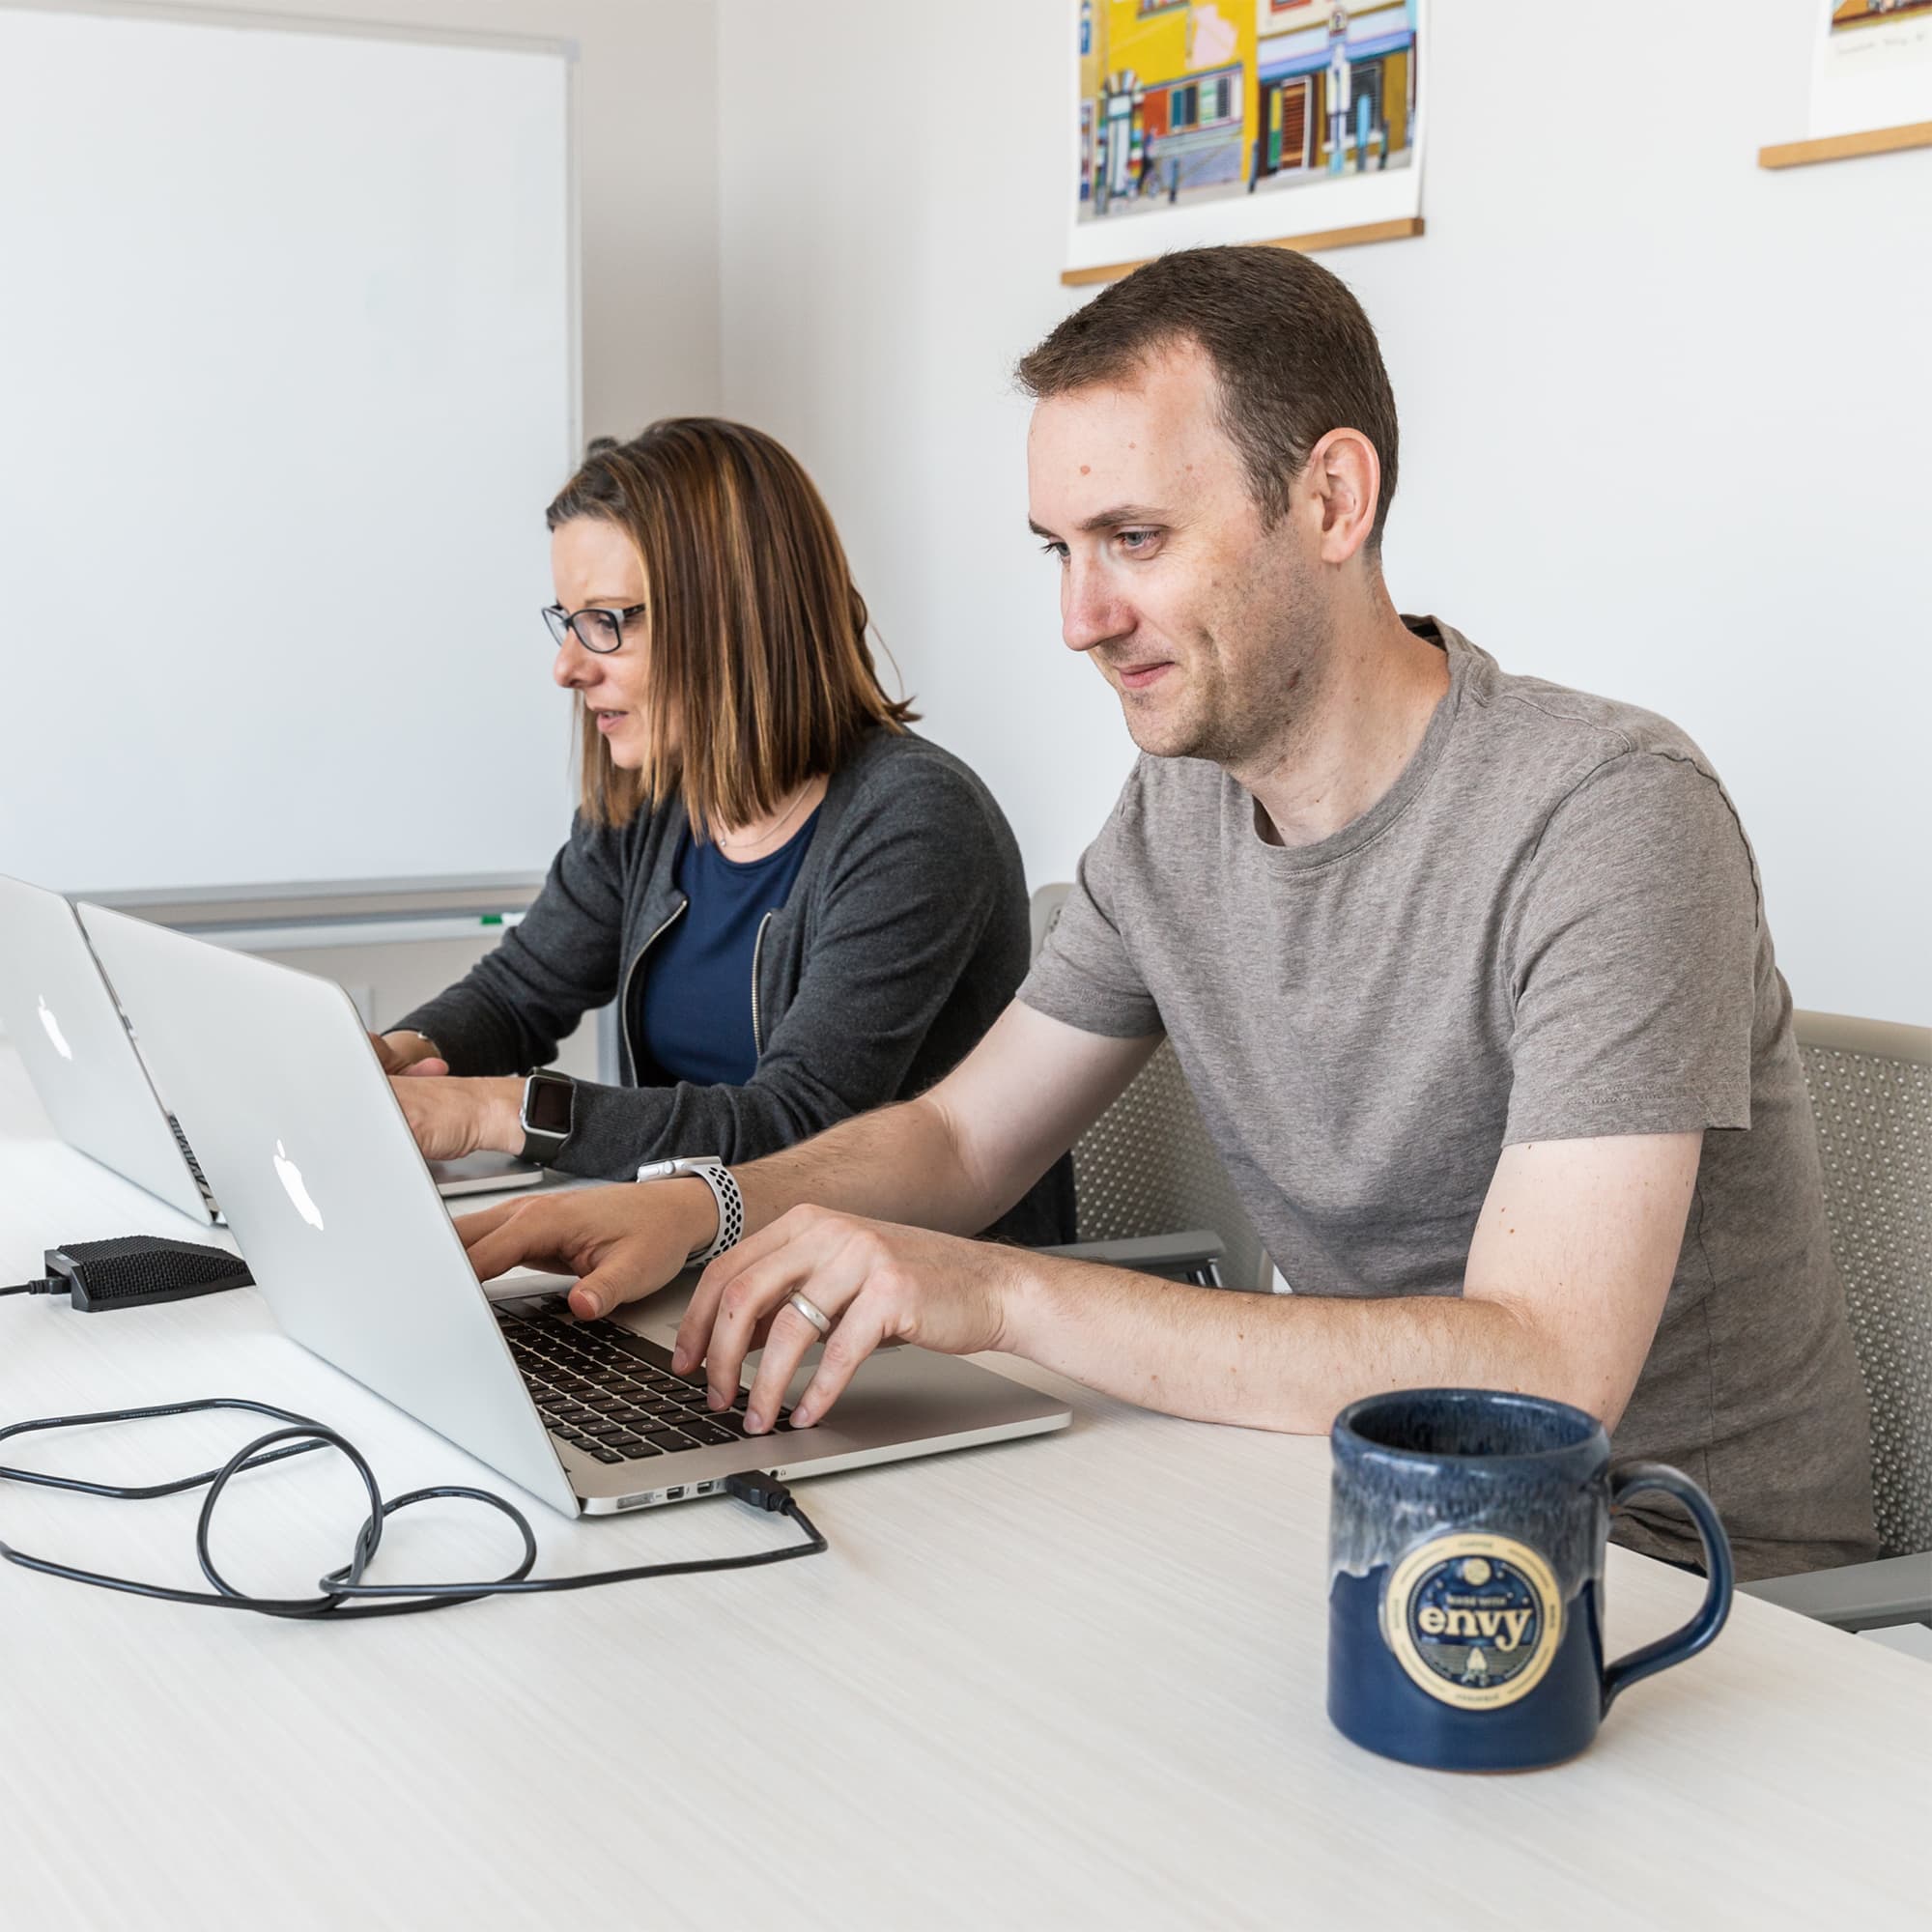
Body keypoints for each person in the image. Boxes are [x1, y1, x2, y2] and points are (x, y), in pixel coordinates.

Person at [456, 250, 1876, 1581]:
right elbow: (961, 1138)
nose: (1081, 616)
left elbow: (1545, 1367)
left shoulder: (1609, 815)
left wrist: (1006, 1295)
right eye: (1059, 550)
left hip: (1668, 1577)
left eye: (1133, 537)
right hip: (1352, 1504)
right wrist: (696, 1206)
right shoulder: (1176, 812)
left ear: (1332, 501)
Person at [378, 417, 1071, 1247]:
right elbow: (516, 994)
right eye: (567, 620)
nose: (568, 666)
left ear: (733, 617)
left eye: (607, 621)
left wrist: (499, 1112)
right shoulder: (653, 803)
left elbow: (799, 1128)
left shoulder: (916, 822)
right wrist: (399, 1059)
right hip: (702, 1259)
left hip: (904, 1294)